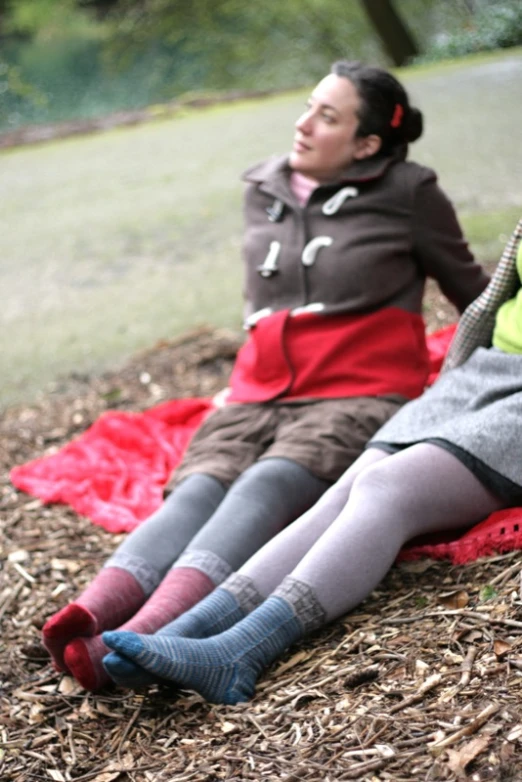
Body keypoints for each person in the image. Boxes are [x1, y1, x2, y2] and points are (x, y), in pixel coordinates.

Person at [41, 60, 488, 691]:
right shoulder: (265, 186)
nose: (303, 125)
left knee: (266, 483)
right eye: (308, 106)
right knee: (197, 488)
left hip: (357, 391)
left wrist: (473, 381)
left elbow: (476, 294)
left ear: (366, 145)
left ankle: (156, 632)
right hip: (257, 392)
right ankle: (91, 611)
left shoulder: (409, 193)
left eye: (327, 117)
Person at [101, 218, 522, 704]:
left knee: (387, 488)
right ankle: (192, 627)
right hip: (485, 369)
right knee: (345, 489)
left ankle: (239, 651)